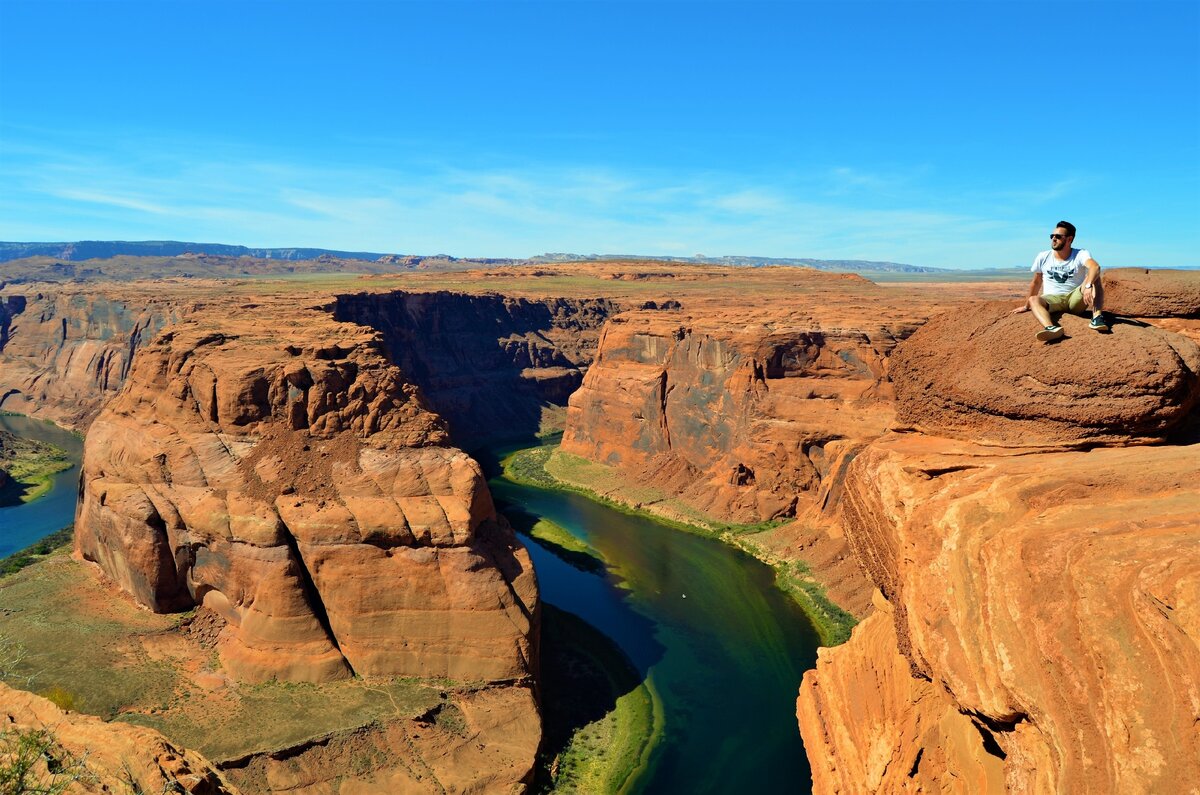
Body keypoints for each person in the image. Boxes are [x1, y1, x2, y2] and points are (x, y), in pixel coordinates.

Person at [1011, 221, 1108, 341]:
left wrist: (1088, 285)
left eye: (1058, 236)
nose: (1054, 239)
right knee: (1033, 299)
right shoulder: (1043, 256)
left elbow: (1095, 267)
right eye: (1052, 236)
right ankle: (1051, 328)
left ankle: (1097, 318)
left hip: (1075, 299)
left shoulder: (1080, 254)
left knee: (1094, 276)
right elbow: (1036, 282)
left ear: (1069, 239)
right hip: (1052, 299)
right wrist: (1027, 305)